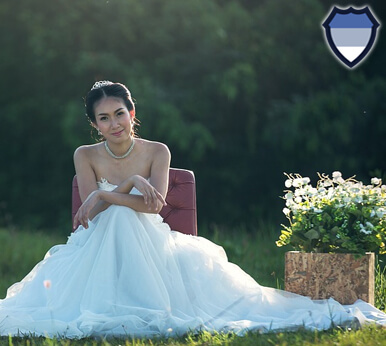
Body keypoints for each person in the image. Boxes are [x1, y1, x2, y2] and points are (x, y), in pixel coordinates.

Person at [0, 81, 385, 338]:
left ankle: (147, 300)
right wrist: (124, 188)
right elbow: (92, 215)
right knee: (115, 215)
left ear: (132, 113)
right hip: (96, 247)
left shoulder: (157, 151)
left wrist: (119, 188)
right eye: (104, 118)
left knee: (122, 212)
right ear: (95, 125)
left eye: (120, 113)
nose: (114, 123)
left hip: (150, 242)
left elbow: (153, 207)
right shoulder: (85, 155)